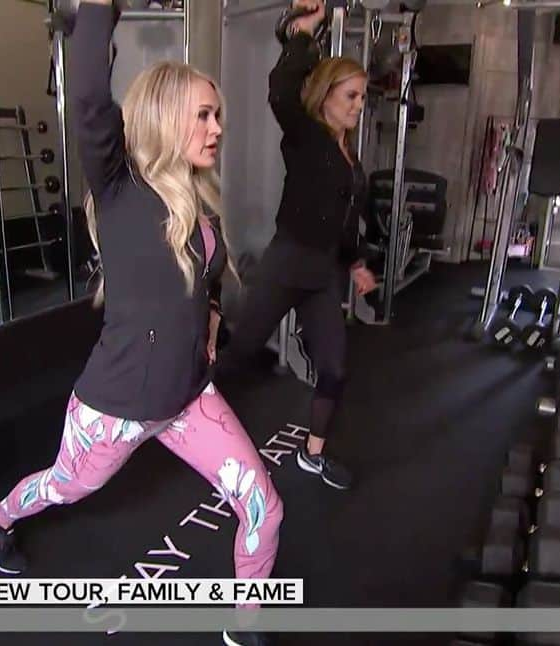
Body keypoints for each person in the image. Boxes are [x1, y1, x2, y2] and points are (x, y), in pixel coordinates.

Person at [0, 2, 282, 644]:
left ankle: (245, 623)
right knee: (64, 487)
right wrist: (97, 12)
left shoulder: (198, 203)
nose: (217, 127)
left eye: (217, 114)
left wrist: (209, 328)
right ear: (168, 117)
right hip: (115, 406)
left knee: (263, 506)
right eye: (204, 113)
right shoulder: (118, 187)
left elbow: (200, 289)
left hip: (189, 398)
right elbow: (88, 94)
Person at [217, 0, 376, 491]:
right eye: (349, 96)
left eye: (362, 98)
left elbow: (342, 222)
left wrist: (354, 264)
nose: (357, 106)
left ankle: (313, 454)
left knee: (334, 366)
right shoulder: (306, 137)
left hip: (321, 276)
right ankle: (183, 419)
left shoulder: (351, 160)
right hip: (286, 263)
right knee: (241, 353)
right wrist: (302, 32)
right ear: (326, 96)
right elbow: (282, 89)